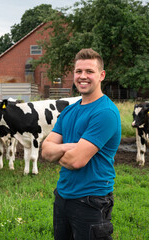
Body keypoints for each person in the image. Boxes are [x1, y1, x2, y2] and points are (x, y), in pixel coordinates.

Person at [41, 48, 121, 240]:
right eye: (78, 71)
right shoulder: (69, 111)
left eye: (89, 72)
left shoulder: (105, 112)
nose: (82, 76)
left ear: (101, 75)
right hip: (63, 196)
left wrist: (58, 151)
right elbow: (45, 151)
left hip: (91, 201)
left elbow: (76, 161)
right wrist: (67, 147)